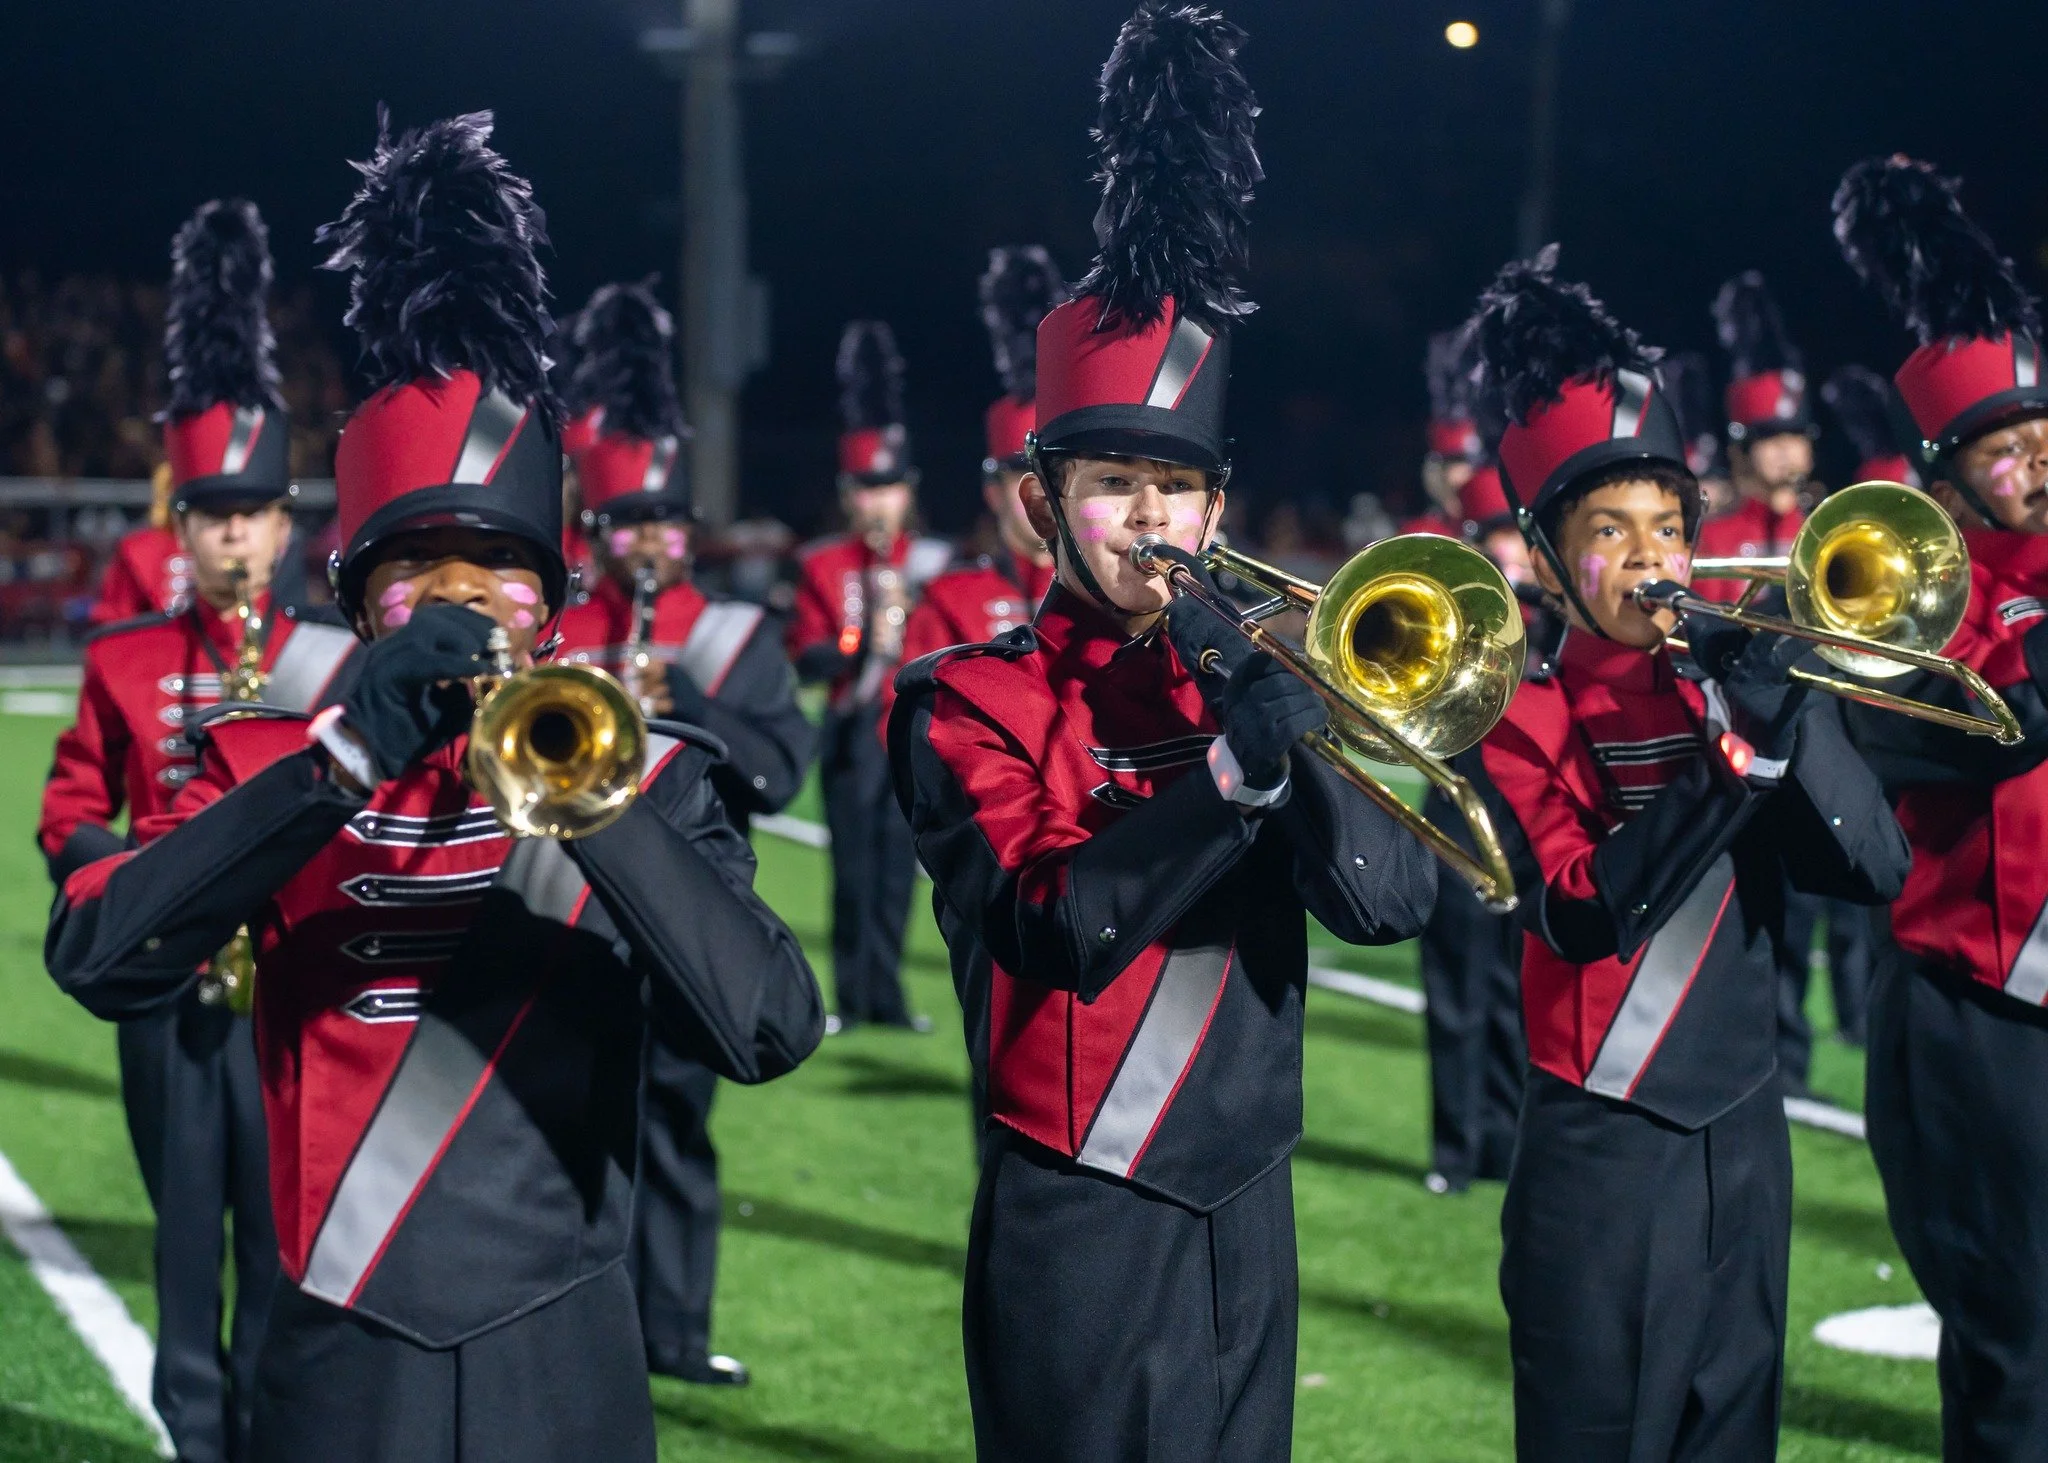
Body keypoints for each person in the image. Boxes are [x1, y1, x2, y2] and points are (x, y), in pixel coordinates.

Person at [44, 111, 822, 1463]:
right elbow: (98, 949)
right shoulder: (261, 763)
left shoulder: (657, 785)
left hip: (566, 1359)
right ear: (359, 602)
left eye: (501, 570)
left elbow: (767, 1026)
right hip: (331, 1368)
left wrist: (588, 802)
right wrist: (343, 755)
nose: (464, 603)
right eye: (418, 574)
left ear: (555, 601)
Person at [889, 7, 1435, 1456]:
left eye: (1176, 488)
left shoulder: (1251, 661)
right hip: (1083, 1193)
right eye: (1114, 482)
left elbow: (1390, 898)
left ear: (1217, 504)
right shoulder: (963, 699)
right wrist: (1233, 773)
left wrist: (1296, 733)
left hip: (1249, 1191)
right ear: (1037, 502)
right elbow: (1051, 923)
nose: (1150, 519)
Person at [1467, 247, 1909, 1462]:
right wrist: (1732, 758)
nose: (1652, 555)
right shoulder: (1514, 707)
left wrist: (1793, 722)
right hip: (1601, 1147)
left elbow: (1871, 870)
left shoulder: (1741, 679)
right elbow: (1575, 910)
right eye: (1607, 528)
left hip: (1744, 1132)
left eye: (1666, 522)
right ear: (1549, 561)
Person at [37, 198, 355, 1463]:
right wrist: (130, 882)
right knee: (182, 1240)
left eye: (254, 515)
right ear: (180, 529)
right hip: (175, 991)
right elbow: (70, 806)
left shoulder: (335, 663)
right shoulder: (122, 658)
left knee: (284, 1239)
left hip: (292, 986)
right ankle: (193, 1433)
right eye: (211, 514)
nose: (232, 535)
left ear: (288, 528)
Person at [553, 278, 816, 1389]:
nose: (649, 542)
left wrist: (688, 703)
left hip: (698, 896)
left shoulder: (730, 631)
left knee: (678, 1115)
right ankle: (587, 1313)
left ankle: (675, 1322)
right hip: (571, 906)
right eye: (626, 523)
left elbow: (781, 767)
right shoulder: (558, 624)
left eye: (663, 520)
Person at [1832, 152, 2048, 1460]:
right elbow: (1985, 728)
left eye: (2043, 439)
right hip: (1984, 1009)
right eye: (2005, 451)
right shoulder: (1916, 581)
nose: (2033, 467)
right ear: (1947, 469)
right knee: (2016, 1343)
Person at [789, 321, 949, 1032]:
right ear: (847, 494)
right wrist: (860, 644)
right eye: (865, 487)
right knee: (852, 870)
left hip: (913, 736)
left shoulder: (937, 563)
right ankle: (851, 997)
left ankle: (887, 996)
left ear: (907, 490)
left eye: (888, 485)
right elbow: (805, 651)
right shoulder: (822, 563)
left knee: (898, 872)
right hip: (853, 731)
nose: (877, 499)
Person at [1418, 464, 1535, 1196]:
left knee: (1515, 990)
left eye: (1520, 540)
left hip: (1526, 824)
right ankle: (1455, 1151)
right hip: (1458, 819)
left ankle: (1508, 1140)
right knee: (1458, 993)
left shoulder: (1547, 618)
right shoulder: (1448, 619)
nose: (1515, 557)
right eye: (1501, 542)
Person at [884, 246, 1063, 723]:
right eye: (1022, 476)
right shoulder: (949, 600)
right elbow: (904, 729)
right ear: (992, 491)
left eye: (1055, 473)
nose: (1040, 491)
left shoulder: (1118, 596)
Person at [1692, 272, 1816, 602]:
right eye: (1770, 438)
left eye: (1795, 435)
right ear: (1742, 451)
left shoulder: (1829, 531)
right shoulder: (1713, 539)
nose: (1785, 449)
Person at [1403, 324, 1486, 538]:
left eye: (1478, 466)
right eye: (1459, 464)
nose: (1468, 476)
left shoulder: (1514, 537)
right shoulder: (1424, 535)